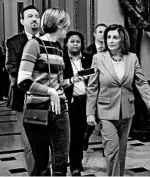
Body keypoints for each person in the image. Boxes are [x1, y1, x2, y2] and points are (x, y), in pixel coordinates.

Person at [86, 24, 150, 176]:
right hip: (106, 111)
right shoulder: (98, 58)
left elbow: (141, 82)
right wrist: (90, 113)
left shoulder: (132, 58)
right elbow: (92, 87)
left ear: (122, 40)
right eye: (108, 37)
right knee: (111, 150)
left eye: (115, 37)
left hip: (127, 110)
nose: (111, 41)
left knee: (122, 149)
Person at [17, 8, 71, 176]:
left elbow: (58, 83)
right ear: (58, 24)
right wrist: (50, 92)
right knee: (42, 168)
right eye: (65, 24)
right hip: (37, 111)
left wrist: (72, 81)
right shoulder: (34, 44)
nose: (68, 27)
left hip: (60, 110)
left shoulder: (57, 47)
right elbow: (23, 81)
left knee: (61, 164)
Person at [5, 5, 40, 175]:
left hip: (45, 98)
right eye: (30, 16)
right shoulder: (13, 42)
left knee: (45, 141)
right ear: (22, 21)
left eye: (37, 16)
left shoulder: (47, 40)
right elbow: (11, 67)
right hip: (23, 98)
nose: (34, 19)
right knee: (29, 142)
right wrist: (39, 77)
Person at [63, 31, 92, 176]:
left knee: (80, 134)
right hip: (70, 102)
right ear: (66, 43)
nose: (75, 44)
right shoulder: (62, 60)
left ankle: (77, 160)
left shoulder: (88, 59)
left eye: (78, 41)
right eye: (72, 41)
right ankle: (74, 164)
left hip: (85, 101)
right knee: (72, 135)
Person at [83, 23, 107, 151]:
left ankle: (107, 147)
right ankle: (85, 137)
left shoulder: (111, 51)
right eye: (100, 32)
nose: (102, 34)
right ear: (94, 34)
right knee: (92, 117)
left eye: (105, 32)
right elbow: (84, 70)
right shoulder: (87, 51)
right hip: (91, 87)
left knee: (105, 120)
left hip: (106, 89)